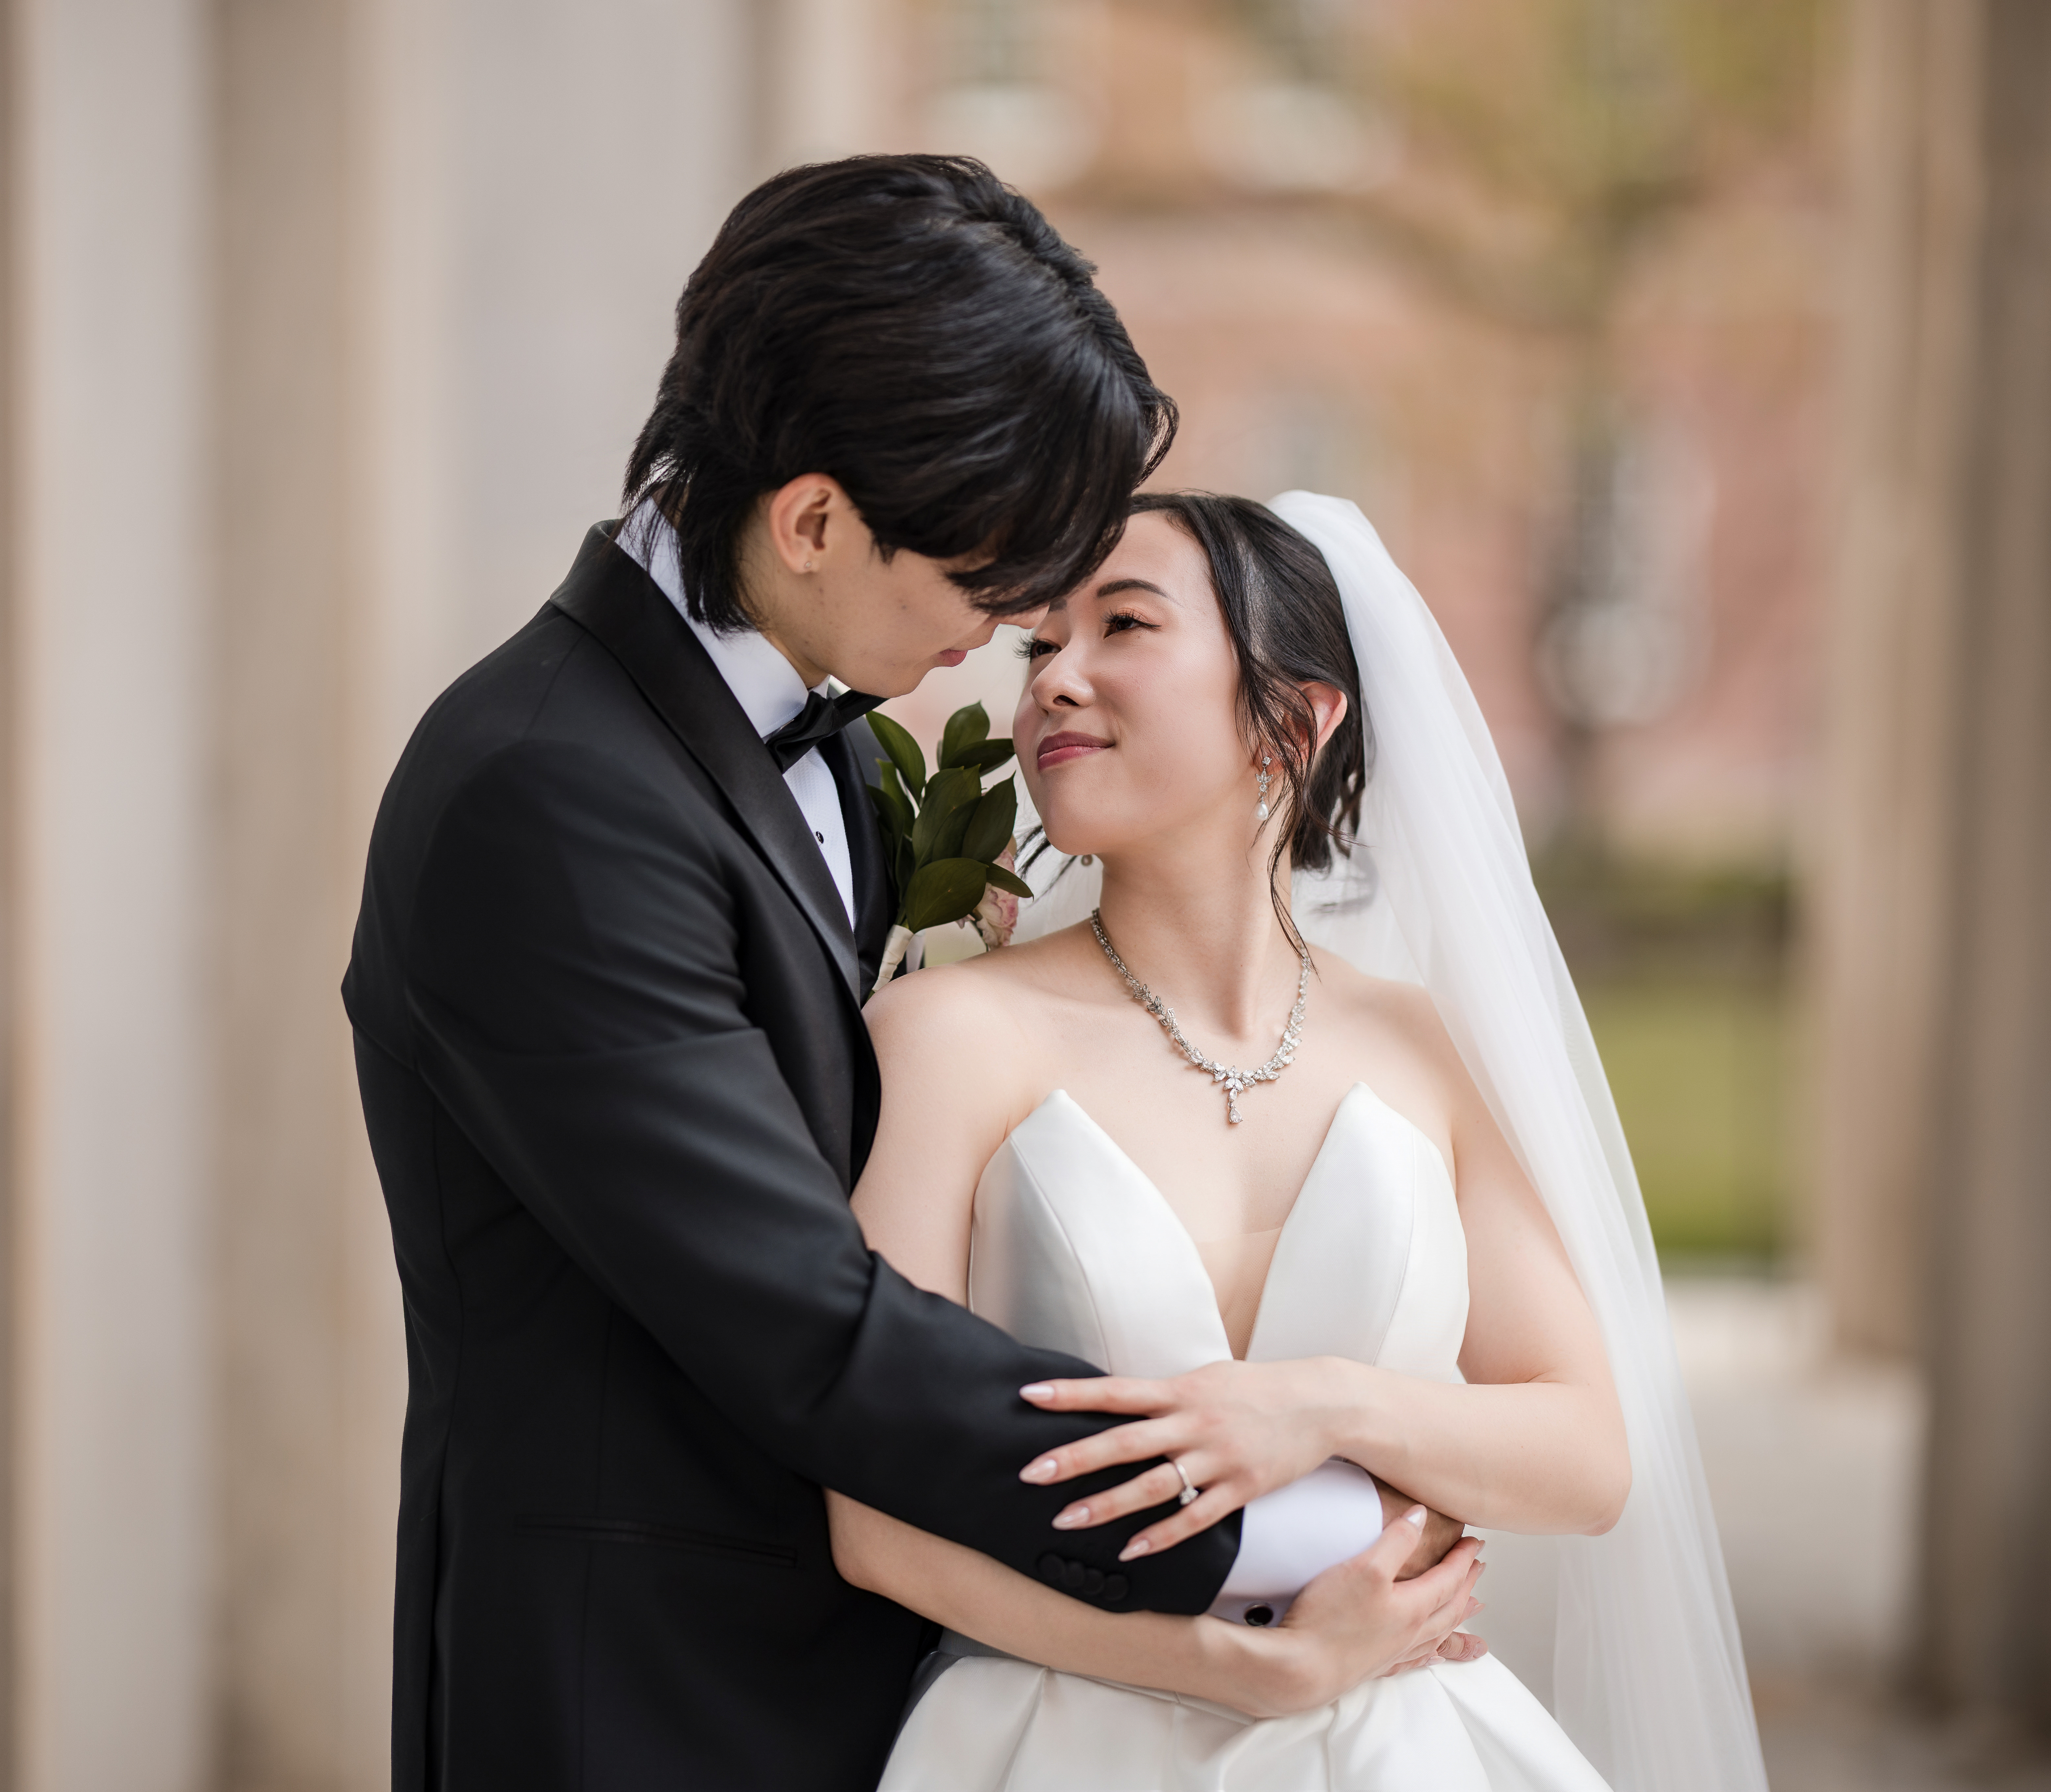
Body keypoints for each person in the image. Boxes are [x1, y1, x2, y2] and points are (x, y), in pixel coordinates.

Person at [342, 158, 1479, 1792]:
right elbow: (812, 1325)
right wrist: (1276, 1522)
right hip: (638, 1695)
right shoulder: (541, 796)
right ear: (809, 519)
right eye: (986, 581)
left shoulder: (849, 765)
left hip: (903, 1692)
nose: (1022, 628)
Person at [837, 493, 1769, 1790]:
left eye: (1121, 626)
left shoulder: (1417, 1046)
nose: (1055, 678)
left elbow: (1587, 1453)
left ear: (1293, 718)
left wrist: (1319, 1404)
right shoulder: (945, 1034)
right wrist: (1229, 1670)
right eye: (1038, 646)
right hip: (1055, 1743)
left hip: (1399, 1751)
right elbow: (874, 1522)